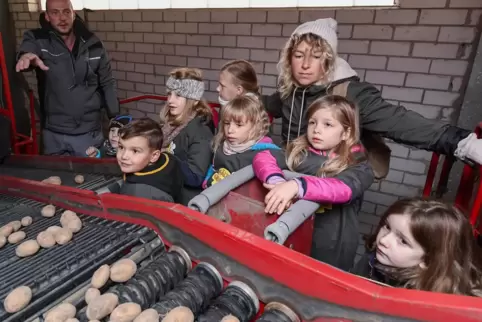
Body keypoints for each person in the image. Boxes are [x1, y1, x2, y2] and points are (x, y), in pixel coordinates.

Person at [262, 18, 482, 176]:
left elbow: (399, 122)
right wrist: (230, 98)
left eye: (316, 57)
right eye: (299, 56)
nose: (305, 65)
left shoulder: (350, 93)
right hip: (288, 177)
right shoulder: (291, 90)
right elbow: (265, 105)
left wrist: (462, 142)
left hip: (332, 182)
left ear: (329, 60)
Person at [253, 95, 374, 271]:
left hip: (332, 245)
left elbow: (344, 189)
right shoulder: (298, 152)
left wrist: (296, 185)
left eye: (328, 124)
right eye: (312, 122)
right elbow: (264, 156)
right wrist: (276, 180)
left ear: (346, 133)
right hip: (297, 233)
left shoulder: (358, 164)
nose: (317, 130)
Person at [15, 0, 119, 156]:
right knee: (55, 178)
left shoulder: (93, 44)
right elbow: (29, 48)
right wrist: (26, 56)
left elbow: (107, 82)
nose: (62, 18)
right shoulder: (39, 40)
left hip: (88, 134)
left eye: (66, 12)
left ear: (73, 14)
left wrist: (116, 117)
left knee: (91, 178)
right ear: (47, 17)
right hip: (54, 135)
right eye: (55, 13)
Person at [352, 198, 482, 297]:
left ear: (427, 261)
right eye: (387, 227)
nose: (383, 240)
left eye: (403, 241)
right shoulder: (372, 258)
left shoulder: (435, 300)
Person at [160, 67, 213, 205]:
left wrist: (166, 157)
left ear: (194, 100)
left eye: (178, 95)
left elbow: (196, 177)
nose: (170, 100)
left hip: (185, 202)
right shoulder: (170, 124)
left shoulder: (201, 132)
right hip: (168, 193)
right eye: (169, 94)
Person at [203, 95, 279, 188]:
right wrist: (207, 182)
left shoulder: (264, 153)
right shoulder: (222, 146)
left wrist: (276, 182)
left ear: (256, 125)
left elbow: (268, 168)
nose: (230, 130)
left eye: (239, 125)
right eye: (227, 123)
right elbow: (214, 168)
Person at [117, 118, 183, 203]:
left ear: (154, 156)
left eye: (135, 151)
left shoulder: (136, 193)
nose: (124, 156)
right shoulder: (169, 158)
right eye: (121, 147)